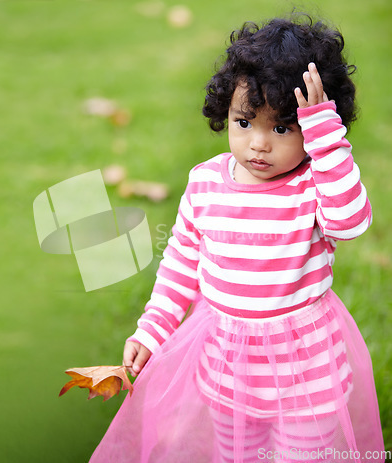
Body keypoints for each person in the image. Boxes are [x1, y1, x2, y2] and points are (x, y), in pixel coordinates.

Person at [90, 13, 385, 463]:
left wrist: (326, 139)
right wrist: (151, 331)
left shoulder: (316, 185)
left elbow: (351, 222)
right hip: (227, 372)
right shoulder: (206, 182)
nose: (259, 144)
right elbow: (181, 264)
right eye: (245, 122)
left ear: (316, 128)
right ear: (225, 111)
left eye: (282, 128)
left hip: (304, 375)